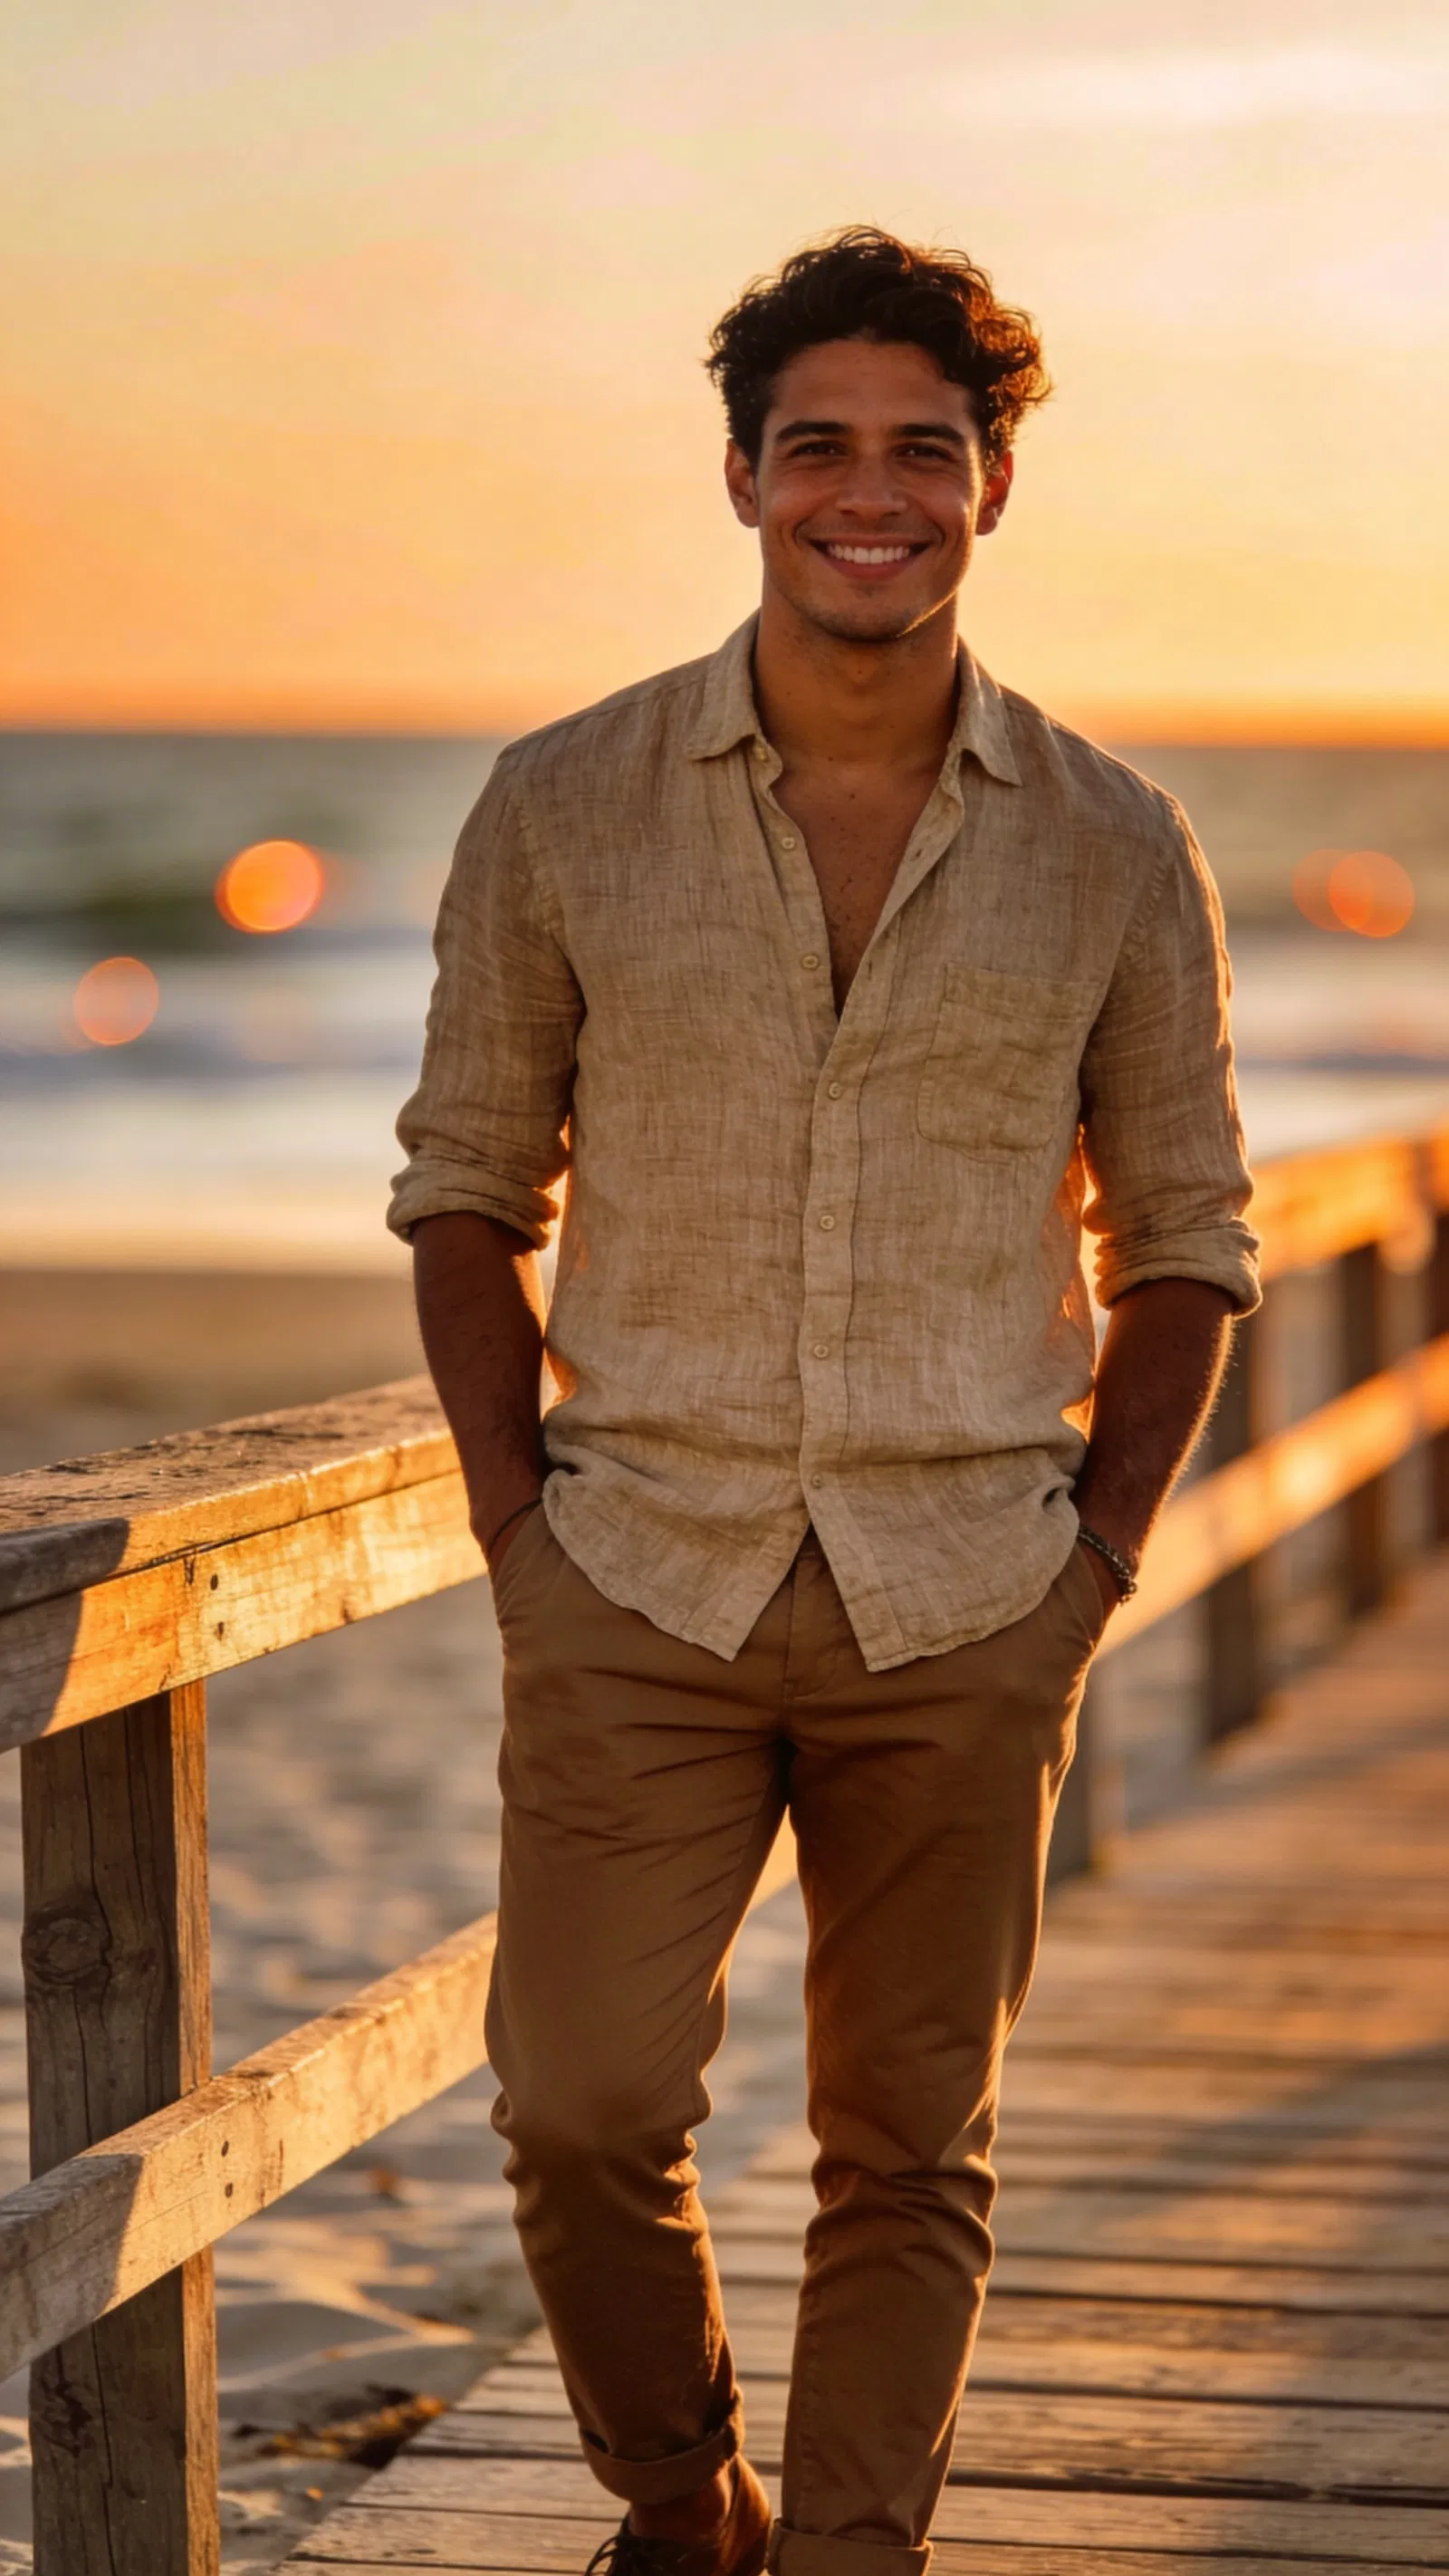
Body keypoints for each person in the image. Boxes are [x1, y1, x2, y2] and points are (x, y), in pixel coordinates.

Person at [389, 226, 1260, 2576]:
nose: (866, 493)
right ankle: (687, 2500)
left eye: (921, 451)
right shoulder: (564, 804)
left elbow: (1188, 1234)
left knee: (905, 2142)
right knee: (578, 2103)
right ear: (746, 477)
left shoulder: (1110, 842)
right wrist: (514, 1524)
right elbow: (467, 1185)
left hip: (972, 1589)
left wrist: (1088, 1569)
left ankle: (853, 2550)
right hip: (635, 1574)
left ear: (991, 487)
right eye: (818, 448)